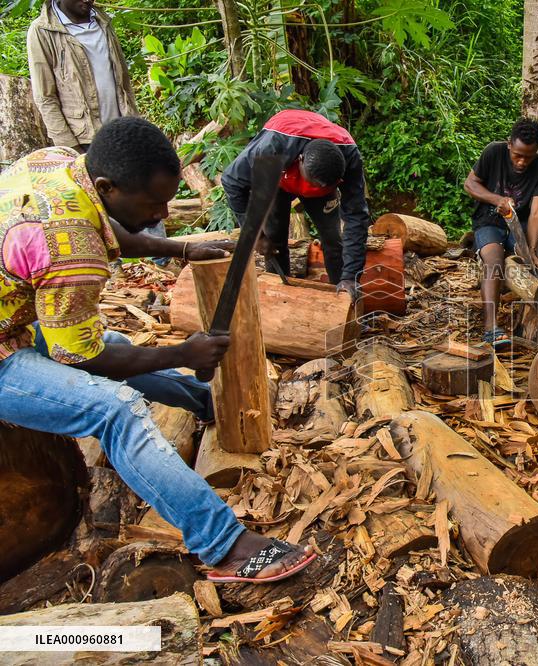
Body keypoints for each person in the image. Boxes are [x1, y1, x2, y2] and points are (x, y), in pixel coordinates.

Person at [0, 117, 316, 583]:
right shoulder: (71, 248)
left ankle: (205, 403)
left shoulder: (58, 164)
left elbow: (104, 231)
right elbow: (81, 356)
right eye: (152, 204)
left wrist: (184, 248)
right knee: (115, 410)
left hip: (16, 318)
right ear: (108, 187)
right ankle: (225, 546)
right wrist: (182, 354)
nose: (160, 214)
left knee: (120, 347)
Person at [222, 109, 370, 299]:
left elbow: (356, 216)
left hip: (317, 172)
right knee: (274, 239)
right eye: (313, 183)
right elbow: (231, 181)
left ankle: (343, 296)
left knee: (334, 239)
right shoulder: (272, 148)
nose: (314, 188)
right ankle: (279, 297)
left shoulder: (349, 156)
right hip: (278, 178)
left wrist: (351, 276)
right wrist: (255, 235)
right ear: (300, 160)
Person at [464, 118, 538, 347]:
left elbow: (536, 213)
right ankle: (491, 329)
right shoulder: (493, 153)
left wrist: (533, 250)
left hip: (519, 224)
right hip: (488, 222)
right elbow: (470, 184)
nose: (522, 161)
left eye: (528, 156)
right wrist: (497, 199)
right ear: (509, 144)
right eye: (517, 155)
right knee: (493, 261)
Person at [27, 0, 139, 152]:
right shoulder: (42, 31)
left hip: (121, 131)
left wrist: (134, 122)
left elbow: (123, 79)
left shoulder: (102, 21)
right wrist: (70, 147)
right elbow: (45, 96)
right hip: (84, 140)